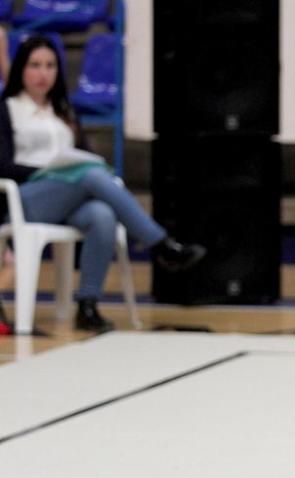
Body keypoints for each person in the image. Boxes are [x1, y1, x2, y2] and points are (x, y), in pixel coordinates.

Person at [0, 35, 205, 333]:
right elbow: (3, 165)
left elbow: (83, 155)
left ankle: (87, 305)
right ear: (21, 69)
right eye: (35, 65)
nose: (43, 73)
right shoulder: (6, 109)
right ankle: (161, 245)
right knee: (92, 176)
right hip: (27, 198)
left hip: (70, 196)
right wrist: (47, 169)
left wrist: (76, 166)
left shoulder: (64, 113)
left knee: (102, 214)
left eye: (50, 65)